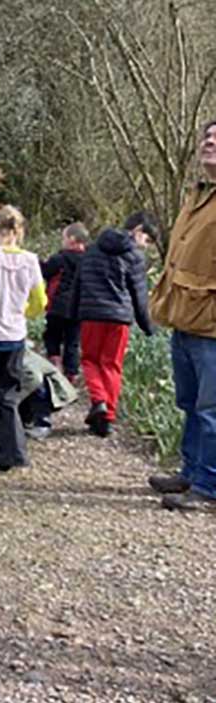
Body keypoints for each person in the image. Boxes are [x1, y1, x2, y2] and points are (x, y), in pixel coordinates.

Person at [148, 119, 216, 513]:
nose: (207, 142)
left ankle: (209, 485)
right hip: (186, 318)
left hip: (210, 325)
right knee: (190, 403)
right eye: (205, 137)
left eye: (215, 139)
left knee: (212, 409)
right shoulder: (198, 194)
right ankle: (191, 472)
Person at [0, 205, 45, 470]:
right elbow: (40, 302)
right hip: (13, 336)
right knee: (9, 396)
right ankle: (13, 453)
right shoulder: (31, 260)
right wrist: (21, 311)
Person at [75, 210, 157, 437]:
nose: (146, 246)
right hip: (119, 318)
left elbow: (78, 285)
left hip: (91, 315)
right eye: (147, 240)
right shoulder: (135, 257)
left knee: (90, 361)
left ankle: (99, 401)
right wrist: (147, 325)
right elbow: (139, 294)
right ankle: (108, 417)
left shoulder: (91, 251)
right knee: (111, 365)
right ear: (138, 230)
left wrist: (71, 315)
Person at [41, 222, 90, 382]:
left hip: (57, 306)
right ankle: (72, 373)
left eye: (64, 237)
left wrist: (37, 261)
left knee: (52, 335)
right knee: (73, 342)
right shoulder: (89, 261)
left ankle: (55, 361)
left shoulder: (59, 259)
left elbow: (45, 271)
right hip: (78, 308)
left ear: (72, 239)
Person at [19, 347, 79, 439]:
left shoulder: (23, 358)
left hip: (54, 389)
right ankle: (25, 421)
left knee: (36, 390)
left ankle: (42, 425)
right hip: (33, 382)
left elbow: (35, 380)